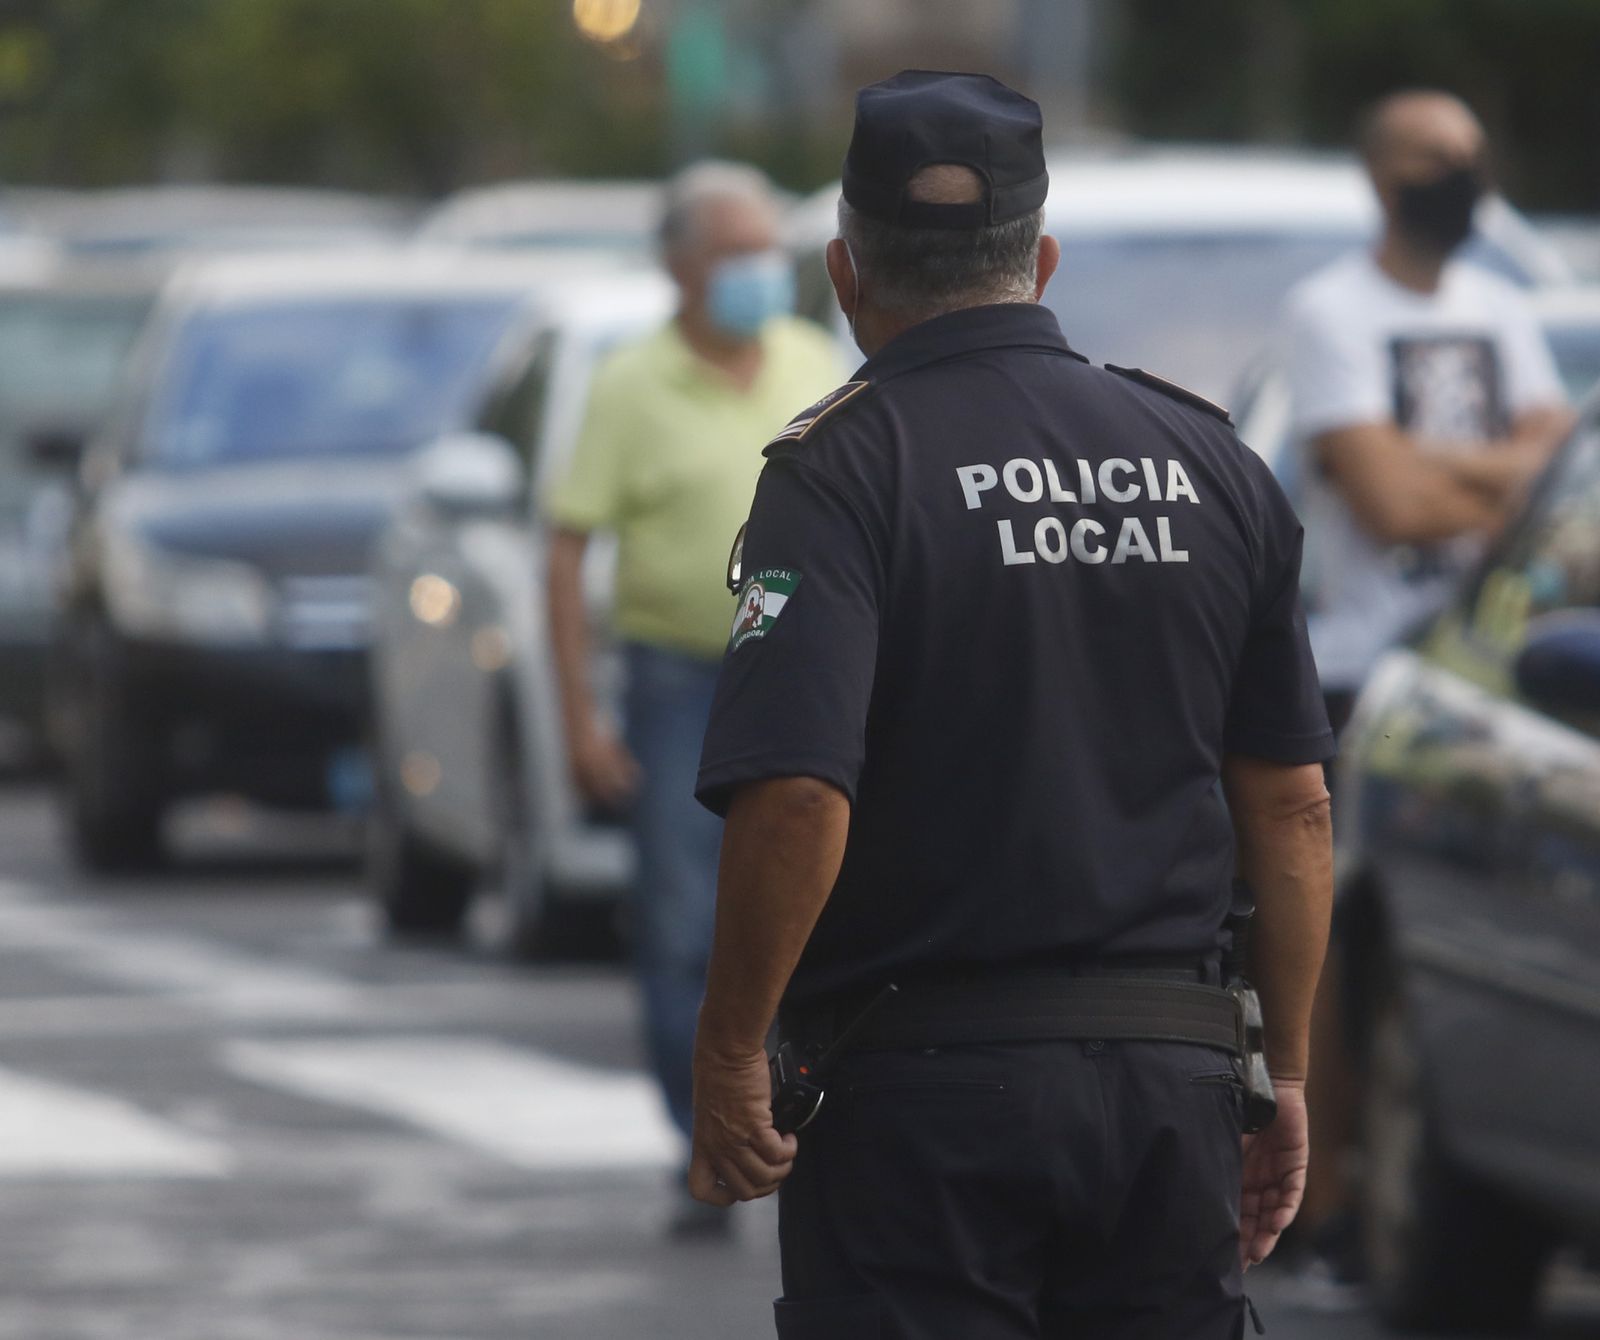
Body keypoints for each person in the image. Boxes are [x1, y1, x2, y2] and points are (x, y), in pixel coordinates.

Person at [687, 70, 1335, 1338]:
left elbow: (799, 793)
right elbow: (1296, 806)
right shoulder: (1210, 459)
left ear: (843, 271)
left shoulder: (844, 469)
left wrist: (726, 1050)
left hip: (922, 1102)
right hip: (1170, 1084)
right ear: (1039, 258)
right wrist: (1286, 1069)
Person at [1279, 89, 1570, 1302]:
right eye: (1427, 157)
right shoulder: (1329, 311)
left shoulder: (1502, 307)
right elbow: (1387, 504)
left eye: (1465, 154)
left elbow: (1558, 467)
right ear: (1378, 175)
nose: (1452, 173)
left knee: (1445, 940)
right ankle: (1331, 1204)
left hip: (1482, 673)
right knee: (1343, 945)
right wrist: (1500, 479)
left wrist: (1434, 466)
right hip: (1358, 669)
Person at [544, 161, 842, 1236]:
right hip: (677, 677)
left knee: (818, 904)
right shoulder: (629, 382)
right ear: (679, 267)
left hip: (804, 668)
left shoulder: (812, 358)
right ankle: (703, 1139)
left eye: (769, 247)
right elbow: (568, 544)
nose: (761, 270)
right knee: (681, 920)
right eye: (735, 251)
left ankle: (801, 1126)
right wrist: (580, 715)